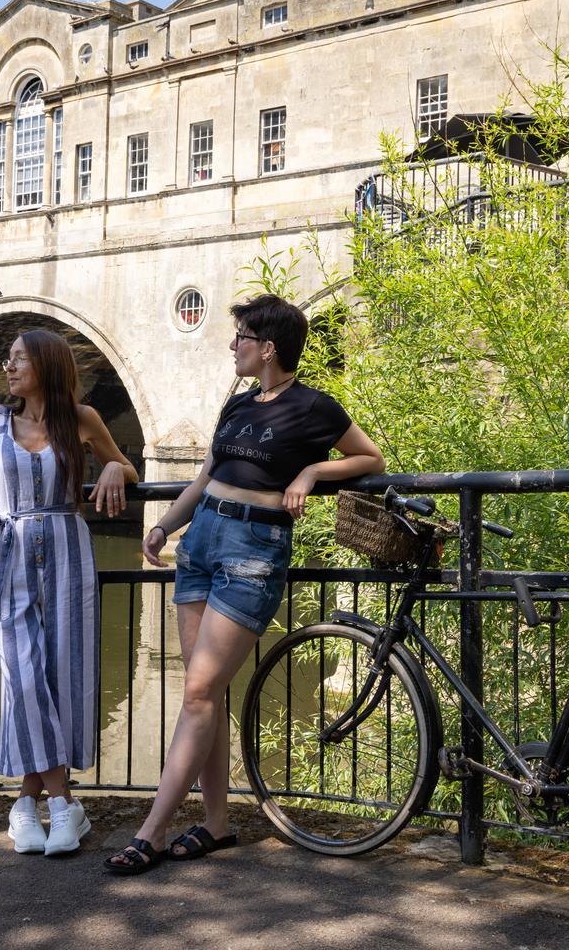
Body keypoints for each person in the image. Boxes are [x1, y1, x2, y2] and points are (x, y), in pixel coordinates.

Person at [105, 294, 385, 874]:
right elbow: (206, 477)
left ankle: (152, 831)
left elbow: (370, 458)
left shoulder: (314, 408)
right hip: (201, 542)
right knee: (204, 694)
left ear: (268, 347)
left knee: (200, 694)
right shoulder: (237, 406)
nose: (232, 346)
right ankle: (215, 824)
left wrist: (312, 470)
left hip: (253, 550)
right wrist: (163, 526)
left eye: (240, 337)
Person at [0, 329, 137, 857]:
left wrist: (115, 465)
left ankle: (25, 806)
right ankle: (65, 804)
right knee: (22, 674)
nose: (8, 367)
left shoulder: (83, 421)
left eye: (18, 359)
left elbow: (129, 467)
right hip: (9, 555)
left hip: (70, 550)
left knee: (62, 676)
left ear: (46, 365)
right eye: (8, 360)